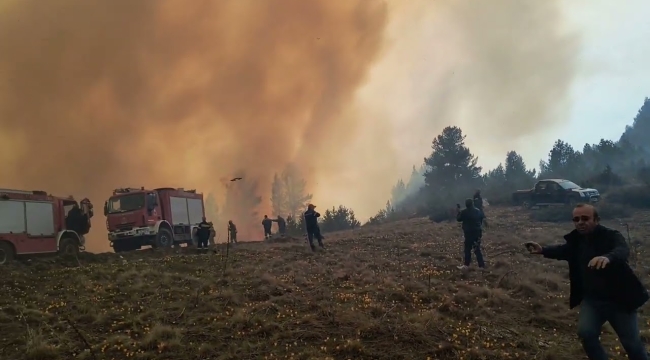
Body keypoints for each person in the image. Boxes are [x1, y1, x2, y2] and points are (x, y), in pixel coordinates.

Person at [526, 204, 649, 360]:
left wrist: (608, 257)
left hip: (620, 301)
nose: (580, 222)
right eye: (576, 219)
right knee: (586, 333)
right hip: (592, 301)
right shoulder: (576, 240)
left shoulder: (611, 235)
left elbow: (622, 250)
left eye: (585, 218)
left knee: (631, 344)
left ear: (596, 220)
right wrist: (543, 250)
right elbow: (563, 251)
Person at [456, 198, 485, 269]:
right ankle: (481, 266)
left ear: (466, 204)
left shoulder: (464, 212)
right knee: (477, 249)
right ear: (472, 203)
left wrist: (459, 212)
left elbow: (458, 219)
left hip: (469, 233)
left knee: (467, 249)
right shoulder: (478, 211)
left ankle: (466, 265)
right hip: (477, 232)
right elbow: (481, 220)